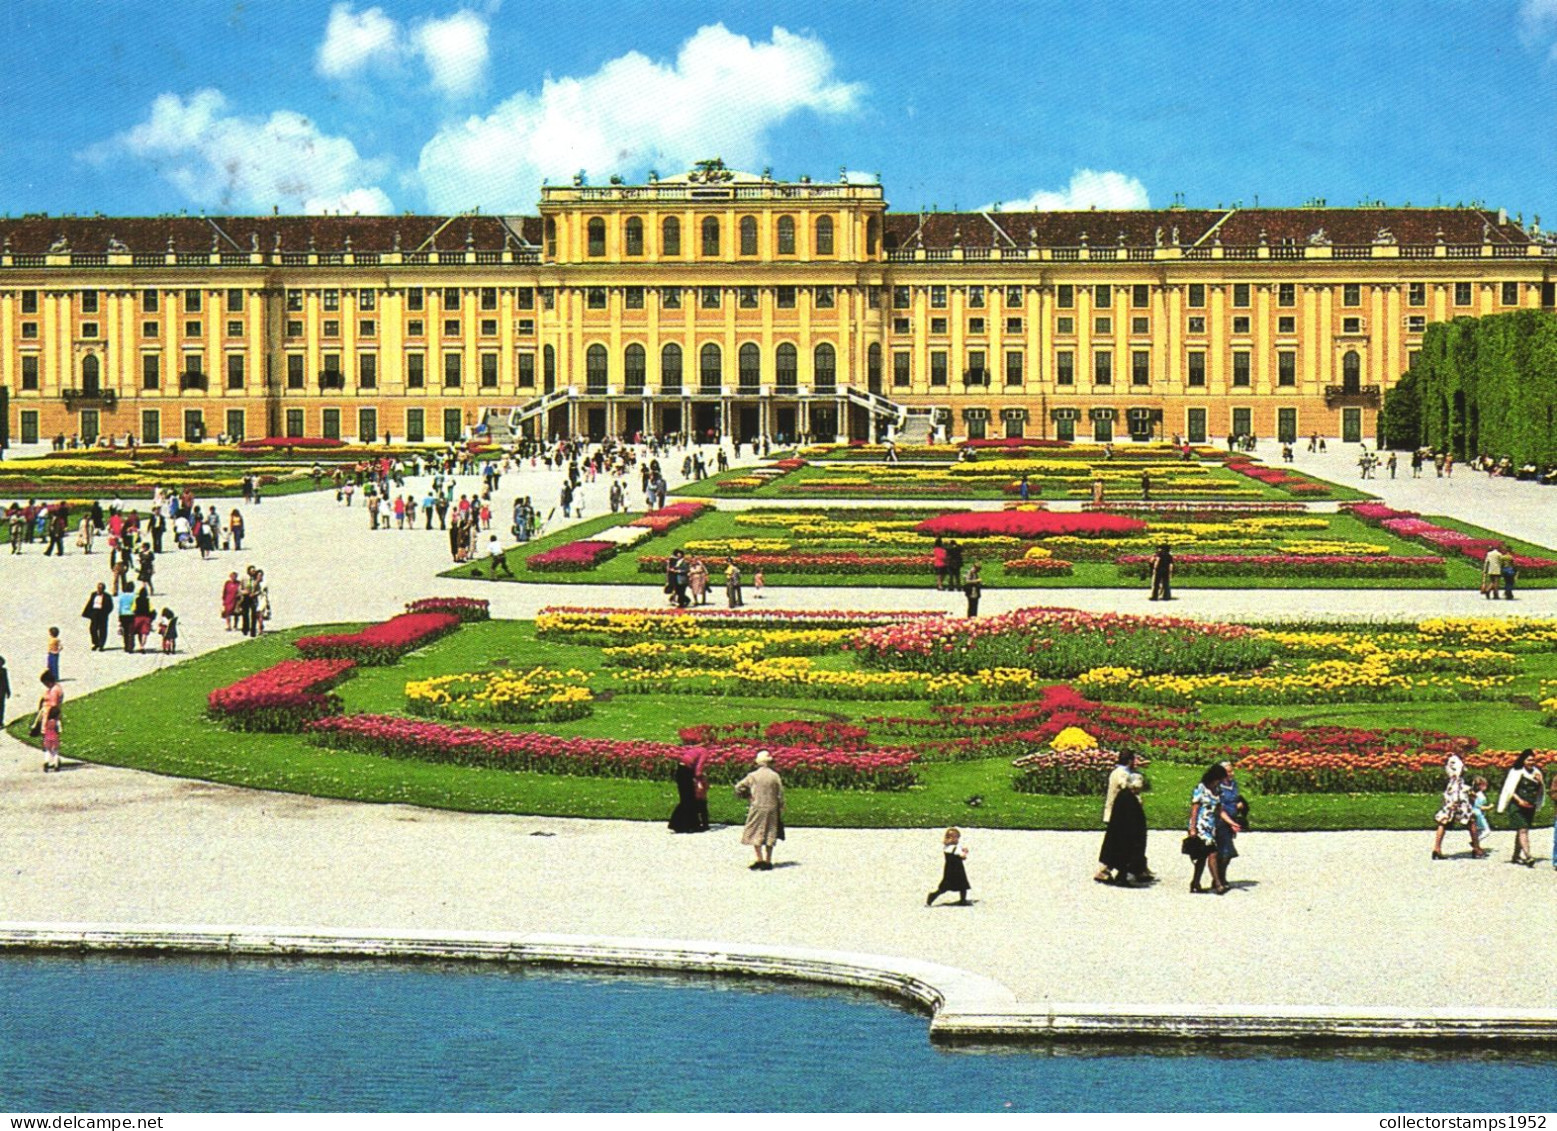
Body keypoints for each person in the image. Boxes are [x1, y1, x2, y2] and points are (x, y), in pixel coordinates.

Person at [1187, 764, 1235, 894]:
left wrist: (1232, 823)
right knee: (1212, 853)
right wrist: (1192, 828)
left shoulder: (1217, 790)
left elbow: (1220, 811)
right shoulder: (1201, 788)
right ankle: (1218, 884)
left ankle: (1195, 883)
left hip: (1211, 826)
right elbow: (1195, 809)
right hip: (1200, 826)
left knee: (1202, 857)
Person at [734, 750, 784, 870]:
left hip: (757, 806)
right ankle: (768, 860)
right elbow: (780, 794)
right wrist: (781, 806)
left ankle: (759, 858)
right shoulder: (775, 776)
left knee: (756, 831)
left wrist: (747, 796)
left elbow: (739, 787)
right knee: (770, 832)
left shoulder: (753, 776)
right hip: (772, 807)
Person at [1097, 773, 1151, 885]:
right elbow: (1131, 818)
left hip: (1120, 832)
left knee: (1119, 853)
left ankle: (1135, 872)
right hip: (1126, 834)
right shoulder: (1129, 798)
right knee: (1126, 854)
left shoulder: (1124, 795)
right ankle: (1123, 876)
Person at [1432, 753, 1486, 859]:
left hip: (1451, 792)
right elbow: (1458, 778)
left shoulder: (1450, 761)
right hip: (1458, 794)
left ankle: (1436, 849)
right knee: (1471, 820)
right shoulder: (1457, 762)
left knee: (1444, 820)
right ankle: (1477, 848)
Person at [1497, 749, 1545, 867]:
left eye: (1533, 760)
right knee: (1523, 829)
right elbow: (1510, 789)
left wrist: (1540, 782)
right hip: (1517, 805)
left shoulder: (1537, 772)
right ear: (1523, 760)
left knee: (1522, 830)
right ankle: (1528, 855)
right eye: (1529, 760)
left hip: (1530, 805)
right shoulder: (1516, 771)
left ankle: (1516, 855)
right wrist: (1519, 800)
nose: (1531, 762)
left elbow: (1540, 791)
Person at [926, 827, 971, 906]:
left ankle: (933, 896)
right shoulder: (955, 848)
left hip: (949, 869)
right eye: (956, 837)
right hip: (957, 869)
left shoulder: (947, 847)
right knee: (962, 884)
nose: (957, 839)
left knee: (945, 886)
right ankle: (963, 900)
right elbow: (962, 856)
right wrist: (964, 853)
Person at [668, 750, 710, 833]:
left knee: (686, 799)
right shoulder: (704, 752)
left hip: (680, 770)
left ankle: (686, 824)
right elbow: (699, 767)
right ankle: (679, 824)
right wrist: (699, 779)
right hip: (686, 771)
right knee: (688, 800)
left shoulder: (696, 749)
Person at [36, 670, 64, 772]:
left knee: (48, 740)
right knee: (52, 740)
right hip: (51, 716)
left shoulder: (54, 691)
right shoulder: (56, 688)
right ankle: (54, 759)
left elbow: (53, 705)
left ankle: (50, 760)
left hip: (49, 717)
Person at [1470, 776, 1494, 844]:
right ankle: (1475, 842)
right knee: (1487, 831)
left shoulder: (1475, 794)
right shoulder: (1479, 795)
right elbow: (1479, 807)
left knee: (1479, 831)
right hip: (1479, 814)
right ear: (1481, 786)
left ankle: (1476, 847)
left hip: (1475, 813)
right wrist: (1489, 807)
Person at [116, 585, 137, 653]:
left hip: (123, 614)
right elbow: (135, 606)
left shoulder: (121, 596)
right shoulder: (134, 596)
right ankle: (130, 647)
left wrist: (119, 616)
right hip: (131, 614)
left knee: (125, 632)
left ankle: (125, 646)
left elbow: (119, 606)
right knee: (131, 631)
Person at [0, 656, 9, 727]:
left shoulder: (4, 671)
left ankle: (0, 722)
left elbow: (6, 681)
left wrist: (8, 691)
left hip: (1, 692)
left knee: (1, 707)